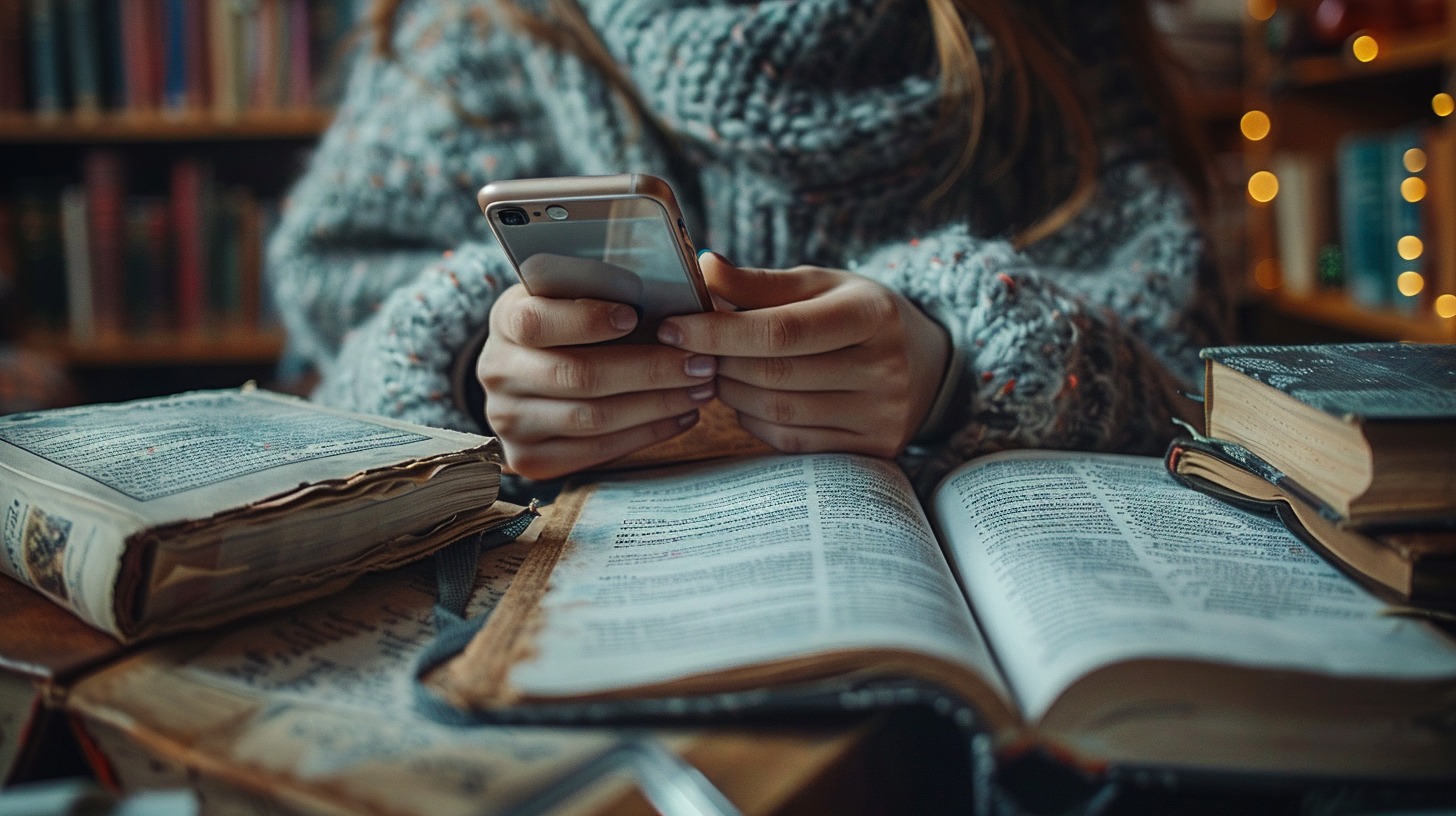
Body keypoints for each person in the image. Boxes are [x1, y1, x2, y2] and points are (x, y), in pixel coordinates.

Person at [267, 0, 1228, 495]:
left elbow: (1196, 386)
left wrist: (963, 364)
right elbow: (320, 378)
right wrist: (474, 373)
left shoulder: (1052, 28)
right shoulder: (472, 31)